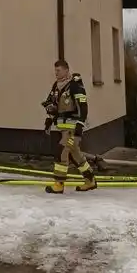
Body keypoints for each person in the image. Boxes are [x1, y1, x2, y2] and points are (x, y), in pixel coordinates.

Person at [42, 58, 97, 194]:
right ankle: (90, 180)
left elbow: (83, 106)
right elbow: (53, 104)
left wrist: (80, 125)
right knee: (75, 155)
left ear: (66, 70)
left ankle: (59, 184)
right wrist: (49, 118)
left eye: (58, 70)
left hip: (73, 129)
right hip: (63, 128)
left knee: (61, 152)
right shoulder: (56, 86)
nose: (56, 73)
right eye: (55, 70)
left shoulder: (75, 86)